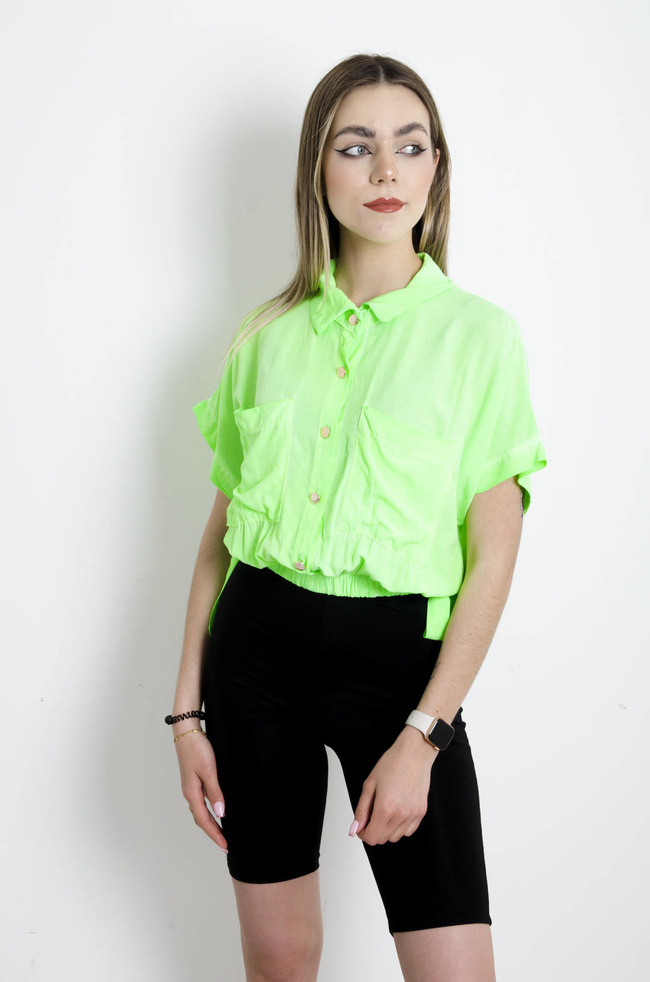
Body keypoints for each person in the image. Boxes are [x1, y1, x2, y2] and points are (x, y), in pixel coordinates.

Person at [167, 52, 547, 982]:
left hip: (401, 673)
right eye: (355, 146)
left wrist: (426, 735)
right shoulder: (265, 335)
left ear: (436, 168)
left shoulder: (480, 337)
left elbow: (493, 560)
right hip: (256, 656)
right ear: (318, 170)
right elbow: (220, 539)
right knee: (280, 957)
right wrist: (186, 714)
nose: (385, 170)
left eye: (410, 146)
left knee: (454, 967)